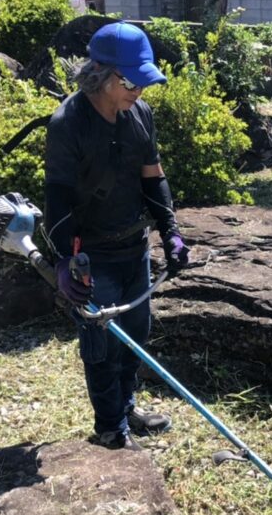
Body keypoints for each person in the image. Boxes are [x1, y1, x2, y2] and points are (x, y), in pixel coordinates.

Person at [44, 22, 189, 451]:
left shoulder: (139, 114)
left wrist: (171, 232)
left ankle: (126, 408)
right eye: (130, 82)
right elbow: (58, 197)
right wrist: (63, 260)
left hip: (134, 247)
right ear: (101, 74)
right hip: (91, 253)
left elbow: (153, 178)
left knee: (136, 337)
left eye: (143, 82)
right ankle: (109, 427)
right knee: (102, 345)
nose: (138, 91)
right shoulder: (68, 123)